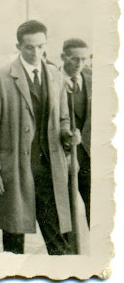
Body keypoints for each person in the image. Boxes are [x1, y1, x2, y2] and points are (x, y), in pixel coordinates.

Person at [0, 20, 80, 255]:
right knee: (14, 237)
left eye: (40, 46)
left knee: (58, 240)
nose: (35, 52)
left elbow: (63, 118)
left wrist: (67, 134)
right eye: (29, 47)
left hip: (50, 169)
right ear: (18, 46)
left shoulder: (55, 76)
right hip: (15, 169)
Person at [61, 38, 92, 224]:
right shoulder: (51, 80)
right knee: (67, 216)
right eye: (74, 59)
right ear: (63, 57)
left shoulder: (93, 80)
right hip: (63, 157)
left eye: (83, 59)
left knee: (94, 210)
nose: (79, 64)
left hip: (89, 156)